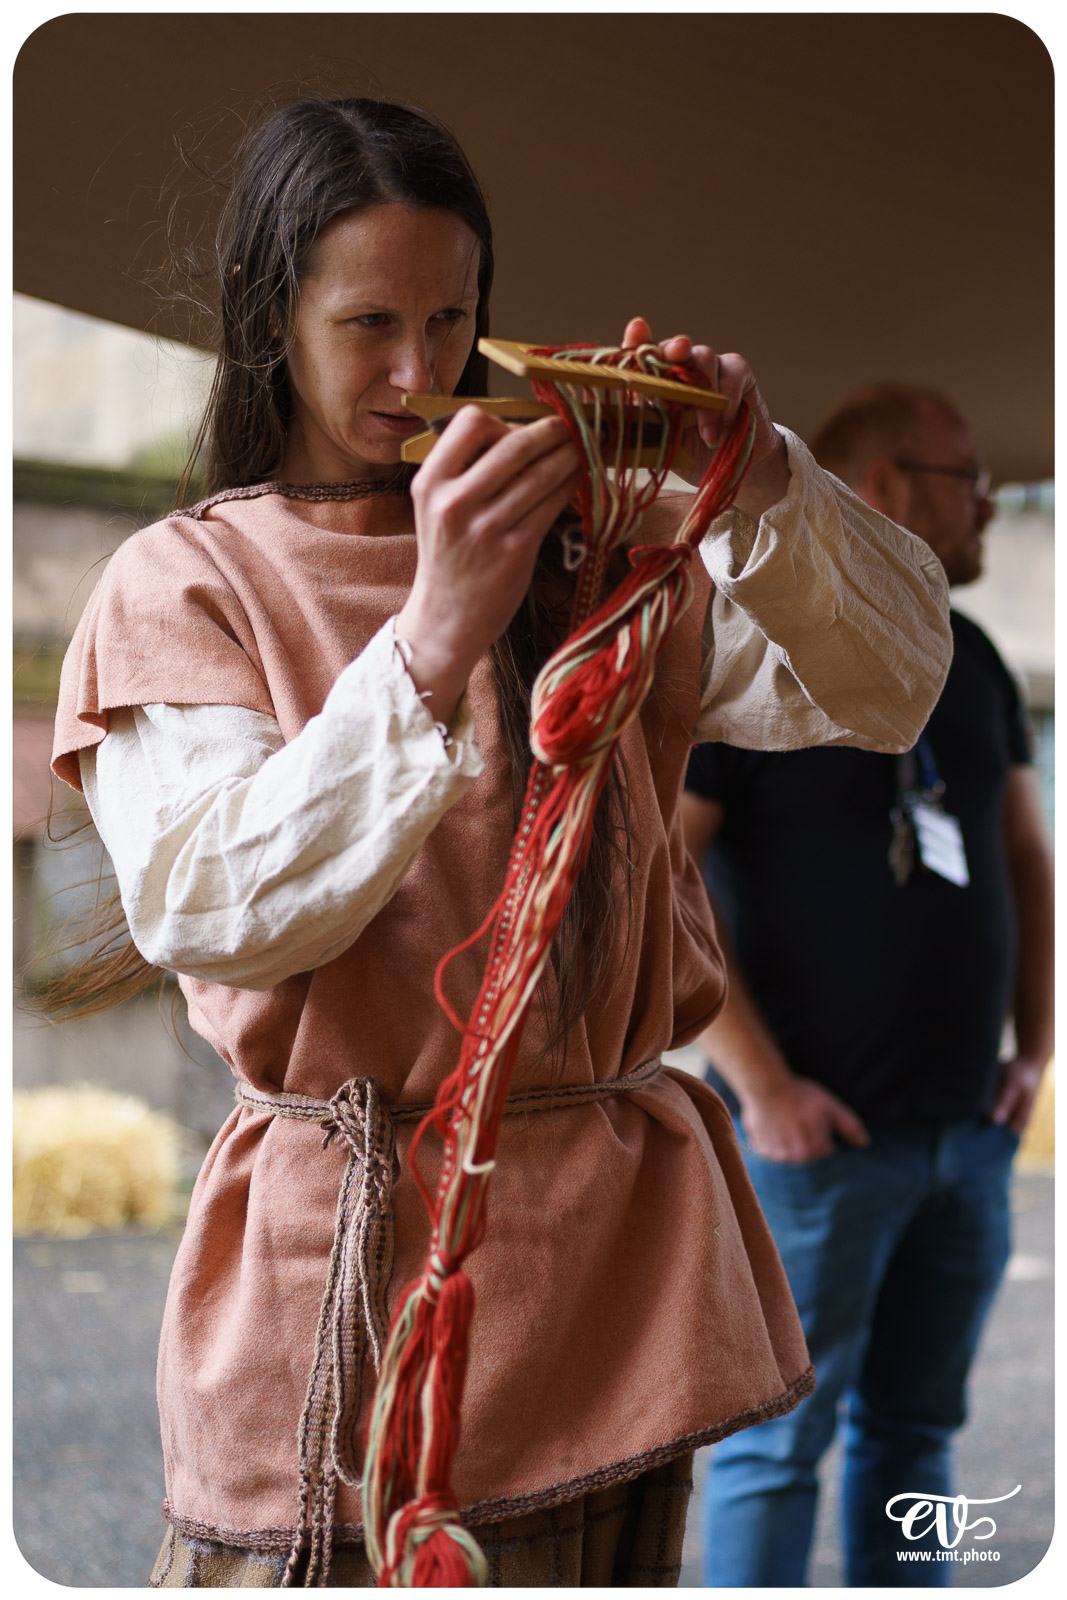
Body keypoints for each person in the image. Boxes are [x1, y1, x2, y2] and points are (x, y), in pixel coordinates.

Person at [49, 101, 952, 1588]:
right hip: (350, 1282)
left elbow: (886, 681)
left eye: (452, 315)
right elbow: (210, 910)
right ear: (273, 319)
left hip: (607, 1286)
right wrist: (433, 632)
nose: (419, 371)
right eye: (369, 323)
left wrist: (762, 473)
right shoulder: (187, 576)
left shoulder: (592, 541)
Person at [684, 382, 1055, 1587]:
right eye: (967, 480)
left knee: (916, 1438)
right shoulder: (753, 639)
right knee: (773, 1449)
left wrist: (1034, 1050)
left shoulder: (979, 657)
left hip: (965, 1138)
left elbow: (1020, 853)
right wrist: (764, 1088)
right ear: (884, 489)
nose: (990, 508)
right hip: (815, 1151)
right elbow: (654, 876)